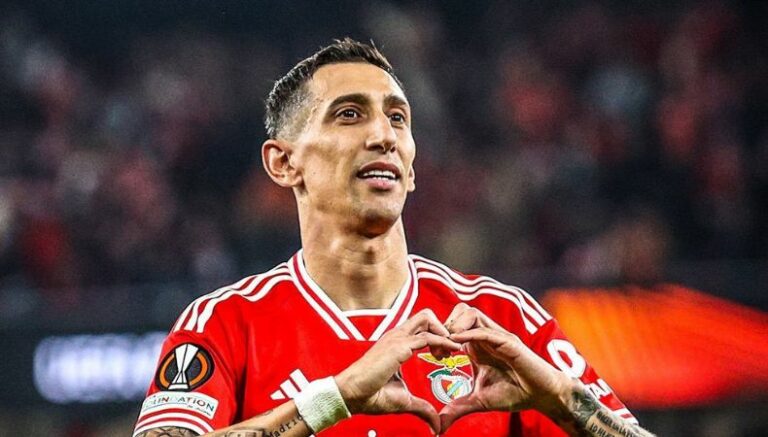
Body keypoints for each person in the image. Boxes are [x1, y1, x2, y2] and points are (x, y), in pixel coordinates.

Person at [133, 39, 654, 437]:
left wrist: (562, 399)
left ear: (411, 167)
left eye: (397, 118)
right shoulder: (224, 324)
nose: (383, 135)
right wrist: (334, 399)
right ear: (284, 162)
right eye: (349, 114)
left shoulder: (504, 318)